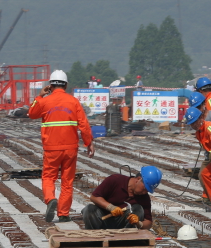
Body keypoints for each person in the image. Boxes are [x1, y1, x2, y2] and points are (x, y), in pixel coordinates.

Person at [28, 70, 95, 224]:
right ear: (66, 84)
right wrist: (89, 142)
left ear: (50, 85)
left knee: (48, 177)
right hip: (71, 149)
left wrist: (40, 96)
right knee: (67, 181)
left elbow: (31, 113)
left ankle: (51, 199)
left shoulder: (44, 102)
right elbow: (84, 125)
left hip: (51, 148)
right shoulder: (73, 102)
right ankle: (63, 214)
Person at [82, 166, 162, 230]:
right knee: (89, 209)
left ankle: (125, 243)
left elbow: (148, 222)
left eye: (148, 190)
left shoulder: (144, 197)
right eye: (145, 188)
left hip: (123, 227)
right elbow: (94, 197)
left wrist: (139, 223)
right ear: (138, 179)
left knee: (138, 209)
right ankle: (94, 243)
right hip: (103, 220)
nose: (145, 192)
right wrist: (110, 207)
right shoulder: (115, 180)